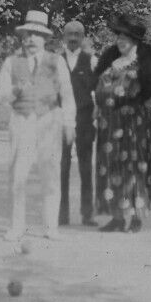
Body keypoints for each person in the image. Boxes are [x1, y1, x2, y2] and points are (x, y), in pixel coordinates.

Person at [0, 11, 75, 242]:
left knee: (50, 174)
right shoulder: (12, 62)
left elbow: (67, 94)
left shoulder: (56, 61)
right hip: (21, 121)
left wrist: (69, 122)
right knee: (18, 175)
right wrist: (15, 91)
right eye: (28, 34)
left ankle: (50, 227)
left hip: (49, 120)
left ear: (45, 39)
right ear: (22, 37)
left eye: (37, 35)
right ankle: (16, 227)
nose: (31, 39)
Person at [92, 13, 151, 233]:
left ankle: (134, 217)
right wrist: (98, 109)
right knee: (111, 167)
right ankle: (116, 217)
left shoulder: (142, 62)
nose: (120, 41)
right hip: (109, 124)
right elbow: (97, 87)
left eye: (125, 38)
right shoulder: (110, 60)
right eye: (119, 37)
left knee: (133, 169)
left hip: (134, 125)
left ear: (135, 41)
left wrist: (144, 104)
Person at [57, 19, 97, 227]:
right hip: (62, 121)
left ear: (83, 38)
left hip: (84, 121)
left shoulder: (91, 61)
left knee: (85, 167)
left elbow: (98, 91)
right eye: (69, 34)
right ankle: (61, 214)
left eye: (77, 34)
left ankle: (87, 213)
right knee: (62, 167)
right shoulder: (56, 61)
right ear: (63, 37)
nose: (73, 38)